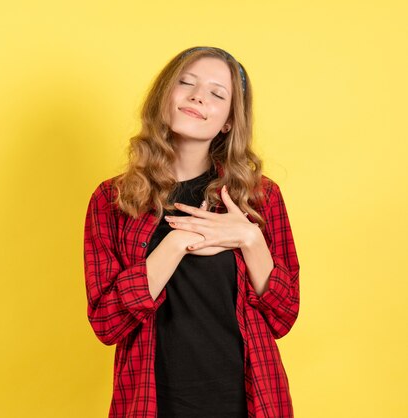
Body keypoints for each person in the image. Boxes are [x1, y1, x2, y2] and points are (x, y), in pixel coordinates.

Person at [83, 46, 300, 418]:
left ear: (229, 121)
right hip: (153, 402)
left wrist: (250, 238)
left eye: (218, 93)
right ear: (164, 96)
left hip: (249, 400)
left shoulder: (258, 197)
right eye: (186, 83)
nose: (199, 96)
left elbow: (283, 315)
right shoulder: (113, 199)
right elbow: (107, 323)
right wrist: (176, 243)